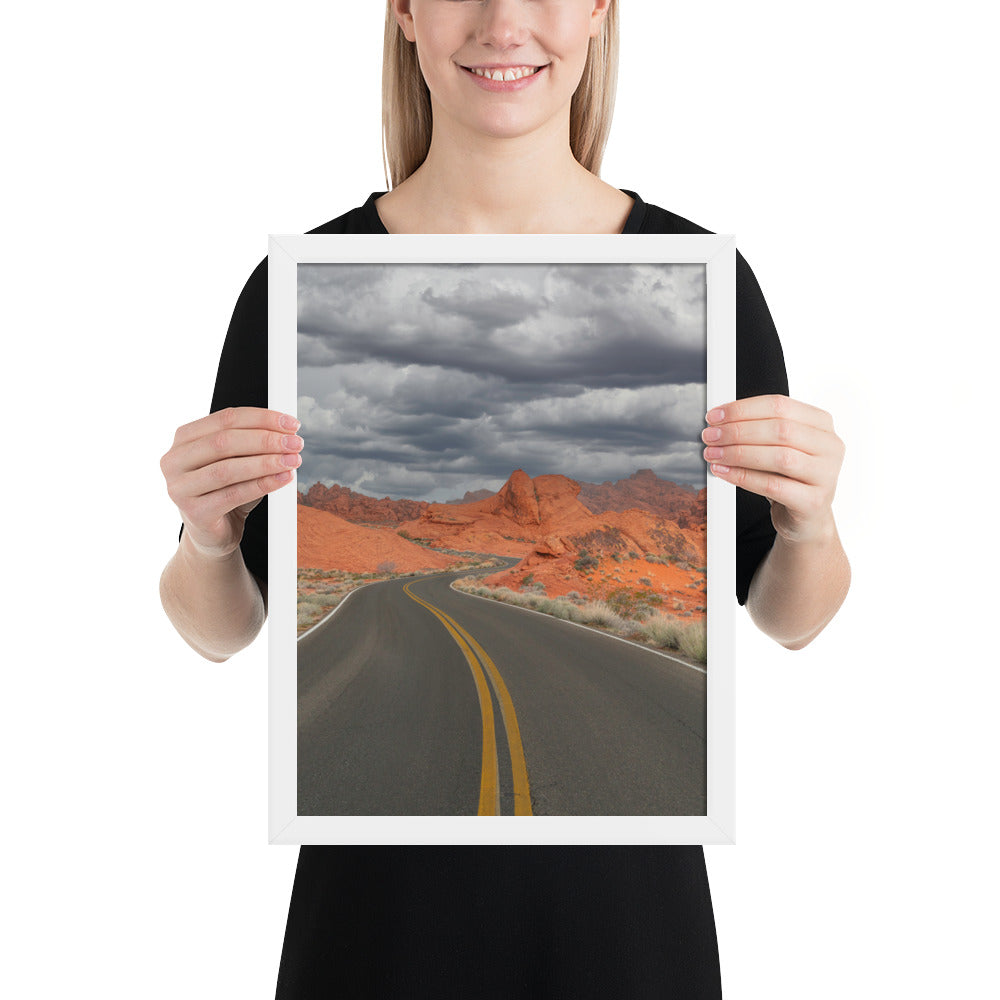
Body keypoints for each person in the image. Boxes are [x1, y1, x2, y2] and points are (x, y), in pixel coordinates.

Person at [159, 1, 850, 996]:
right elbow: (217, 631)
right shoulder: (290, 287)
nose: (502, 20)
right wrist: (207, 538)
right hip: (371, 937)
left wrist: (809, 520)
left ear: (601, 12)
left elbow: (790, 616)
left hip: (626, 938)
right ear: (402, 11)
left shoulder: (708, 281)